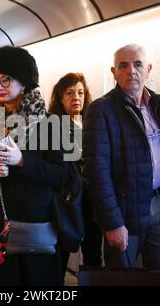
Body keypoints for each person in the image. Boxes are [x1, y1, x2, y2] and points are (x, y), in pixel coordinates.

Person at [0, 46, 69, 286]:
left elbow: (61, 174)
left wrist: (22, 161)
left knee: (39, 282)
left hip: (37, 217)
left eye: (6, 80)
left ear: (23, 82)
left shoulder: (49, 123)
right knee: (1, 281)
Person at [83, 44, 160, 285]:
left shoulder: (156, 105)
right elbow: (97, 172)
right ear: (114, 72)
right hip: (123, 214)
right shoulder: (101, 110)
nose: (131, 71)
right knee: (123, 282)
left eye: (137, 64)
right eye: (123, 66)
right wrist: (112, 223)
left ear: (148, 69)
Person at [48, 73, 100, 275]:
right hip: (66, 201)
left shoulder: (93, 123)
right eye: (70, 93)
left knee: (93, 255)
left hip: (91, 200)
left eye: (80, 92)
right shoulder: (53, 126)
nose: (76, 97)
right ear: (60, 97)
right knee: (60, 255)